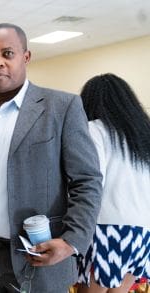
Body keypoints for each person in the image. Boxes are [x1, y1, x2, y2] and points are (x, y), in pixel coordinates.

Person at [0, 23, 103, 293]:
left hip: (38, 254)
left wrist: (71, 241)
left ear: (26, 56)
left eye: (7, 53)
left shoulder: (61, 107)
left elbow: (87, 180)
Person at [76, 73, 150, 293]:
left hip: (105, 228)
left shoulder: (94, 129)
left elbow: (91, 181)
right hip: (141, 231)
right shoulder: (142, 136)